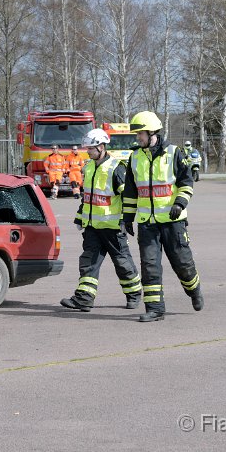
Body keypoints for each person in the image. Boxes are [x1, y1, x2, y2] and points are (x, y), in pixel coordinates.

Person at [122, 110, 203, 322]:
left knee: (183, 265)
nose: (138, 137)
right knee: (150, 266)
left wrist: (180, 203)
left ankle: (194, 291)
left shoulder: (174, 153)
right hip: (147, 223)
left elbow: (186, 182)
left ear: (153, 133)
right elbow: (130, 191)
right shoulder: (135, 157)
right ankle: (155, 309)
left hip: (173, 222)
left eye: (141, 133)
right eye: (137, 134)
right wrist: (128, 217)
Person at [60, 129, 142, 312]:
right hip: (92, 227)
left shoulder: (116, 168)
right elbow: (88, 197)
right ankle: (84, 299)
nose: (87, 151)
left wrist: (126, 220)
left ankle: (134, 294)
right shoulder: (89, 167)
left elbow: (129, 196)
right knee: (88, 262)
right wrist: (80, 218)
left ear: (101, 147)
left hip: (113, 228)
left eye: (90, 148)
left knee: (122, 263)